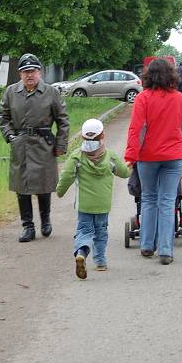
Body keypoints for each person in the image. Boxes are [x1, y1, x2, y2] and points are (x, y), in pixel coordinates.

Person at [0, 53, 70, 242]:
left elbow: (63, 120)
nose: (29, 75)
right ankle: (28, 226)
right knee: (22, 187)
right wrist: (10, 136)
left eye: (32, 71)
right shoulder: (11, 92)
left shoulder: (51, 93)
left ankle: (45, 220)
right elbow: (2, 118)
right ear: (20, 74)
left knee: (44, 186)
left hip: (43, 144)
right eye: (25, 72)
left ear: (40, 72)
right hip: (20, 144)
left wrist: (60, 145)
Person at [124, 58, 182, 265]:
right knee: (167, 202)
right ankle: (166, 250)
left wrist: (130, 156)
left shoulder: (143, 99)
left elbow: (136, 130)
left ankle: (146, 245)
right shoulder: (179, 99)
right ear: (172, 75)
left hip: (148, 157)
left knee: (149, 199)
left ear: (148, 76)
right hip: (174, 156)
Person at [56, 118, 130, 279]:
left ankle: (82, 252)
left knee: (84, 231)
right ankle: (101, 262)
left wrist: (59, 192)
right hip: (103, 204)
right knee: (101, 232)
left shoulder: (77, 157)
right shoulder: (110, 156)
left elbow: (66, 177)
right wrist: (129, 166)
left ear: (82, 136)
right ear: (103, 134)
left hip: (85, 205)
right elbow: (124, 172)